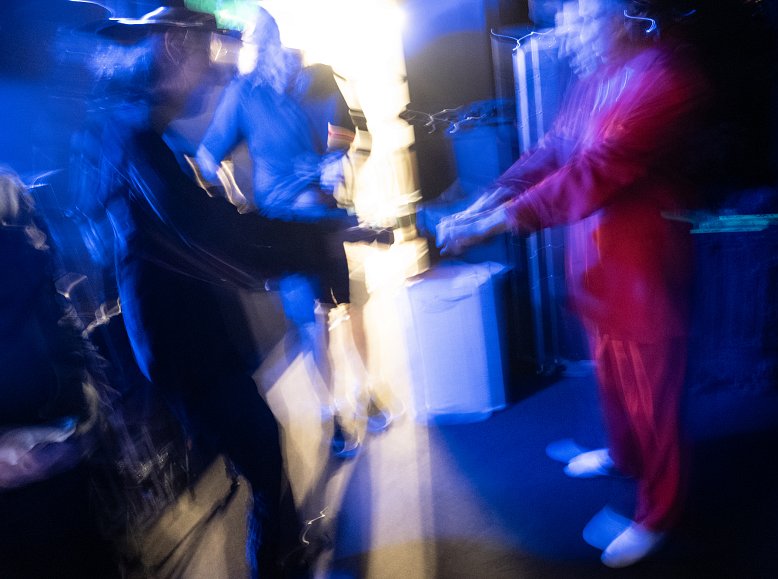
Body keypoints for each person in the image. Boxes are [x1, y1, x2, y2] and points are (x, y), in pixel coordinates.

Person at [438, 0, 709, 568]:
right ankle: (623, 456)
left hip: (645, 272)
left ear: (625, 16)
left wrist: (494, 223)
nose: (568, 33)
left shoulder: (664, 80)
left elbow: (595, 169)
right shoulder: (596, 80)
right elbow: (552, 151)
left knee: (652, 401)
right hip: (599, 266)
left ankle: (657, 514)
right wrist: (485, 200)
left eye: (582, 19)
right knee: (612, 380)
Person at [89, 7, 339, 577]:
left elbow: (201, 229)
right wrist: (316, 237)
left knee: (262, 446)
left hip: (191, 335)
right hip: (181, 345)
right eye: (207, 55)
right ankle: (277, 561)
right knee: (261, 447)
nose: (212, 72)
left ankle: (284, 548)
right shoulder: (136, 140)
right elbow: (210, 233)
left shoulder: (139, 134)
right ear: (174, 47)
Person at [195, 6, 392, 459]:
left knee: (350, 308)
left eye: (262, 39)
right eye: (251, 42)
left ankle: (366, 392)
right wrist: (236, 205)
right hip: (283, 228)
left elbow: (348, 129)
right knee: (312, 324)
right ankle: (334, 415)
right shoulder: (244, 94)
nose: (255, 49)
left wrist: (336, 160)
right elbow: (207, 158)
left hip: (327, 217)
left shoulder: (314, 76)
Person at [0, 167, 118, 578]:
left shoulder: (20, 246)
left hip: (58, 454)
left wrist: (84, 397)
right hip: (26, 482)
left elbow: (50, 331)